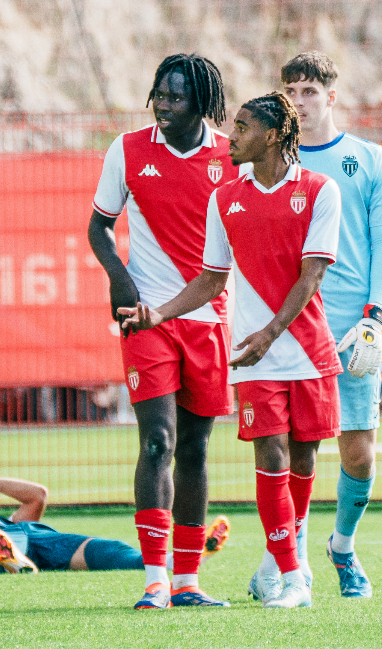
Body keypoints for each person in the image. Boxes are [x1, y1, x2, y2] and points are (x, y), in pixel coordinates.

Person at [120, 91, 342, 609]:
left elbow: (312, 276)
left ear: (270, 135)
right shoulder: (225, 198)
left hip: (306, 350)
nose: (230, 137)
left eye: (241, 128)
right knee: (271, 455)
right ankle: (294, 580)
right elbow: (211, 281)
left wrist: (271, 333)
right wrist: (160, 312)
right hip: (252, 357)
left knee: (303, 466)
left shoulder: (319, 190)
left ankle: (280, 563)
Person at [87, 53, 240, 609]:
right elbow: (98, 229)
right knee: (158, 440)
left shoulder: (230, 155)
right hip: (146, 319)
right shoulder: (127, 149)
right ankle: (154, 581)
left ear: (202, 103)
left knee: (196, 451)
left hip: (209, 320)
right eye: (160, 96)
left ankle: (188, 582)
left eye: (177, 98)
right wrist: (121, 282)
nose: (166, 106)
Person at [278, 51, 382, 598]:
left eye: (309, 92)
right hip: (291, 325)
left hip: (354, 327)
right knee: (290, 449)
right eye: (291, 93)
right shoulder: (271, 161)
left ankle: (343, 548)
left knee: (359, 452)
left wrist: (374, 316)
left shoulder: (369, 159)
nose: (300, 103)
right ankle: (293, 563)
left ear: (331, 97)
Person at [0, 467, 231, 578]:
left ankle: (178, 560)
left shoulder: (1, 521)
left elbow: (38, 495)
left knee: (108, 549)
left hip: (25, 538)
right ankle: (4, 562)